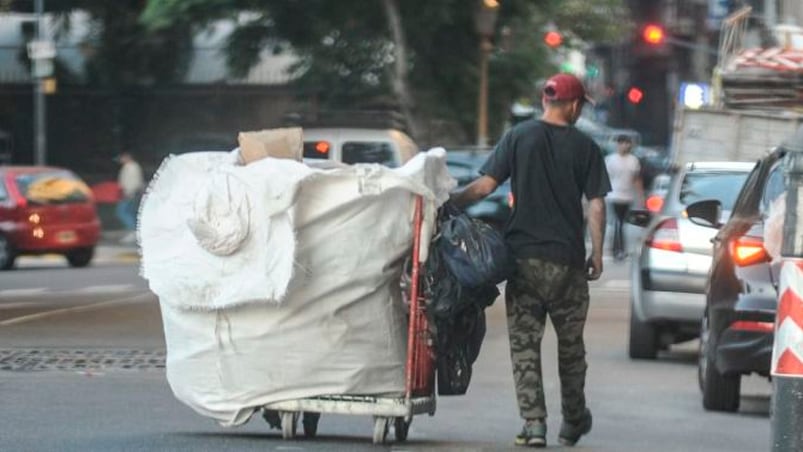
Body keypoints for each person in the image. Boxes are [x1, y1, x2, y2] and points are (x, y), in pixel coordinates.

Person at [451, 73, 610, 448]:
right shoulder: (586, 146)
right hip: (567, 263)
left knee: (525, 345)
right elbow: (597, 204)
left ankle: (534, 424)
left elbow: (484, 187)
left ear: (545, 102)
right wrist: (597, 254)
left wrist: (448, 205)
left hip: (524, 261)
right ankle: (573, 421)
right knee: (571, 348)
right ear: (573, 105)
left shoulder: (518, 137)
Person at [604, 135, 643, 261]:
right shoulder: (610, 160)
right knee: (617, 223)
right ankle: (617, 249)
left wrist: (640, 196)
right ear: (618, 144)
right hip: (614, 195)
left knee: (622, 223)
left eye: (628, 143)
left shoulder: (633, 161)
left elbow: (636, 179)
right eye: (622, 143)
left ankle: (620, 248)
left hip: (628, 197)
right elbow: (604, 177)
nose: (625, 146)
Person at [116, 152, 145, 244]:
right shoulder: (131, 167)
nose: (120, 160)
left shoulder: (131, 168)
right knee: (130, 212)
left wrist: (129, 192)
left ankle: (133, 232)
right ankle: (134, 232)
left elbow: (133, 181)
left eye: (121, 158)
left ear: (127, 157)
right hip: (131, 193)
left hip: (129, 193)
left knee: (121, 212)